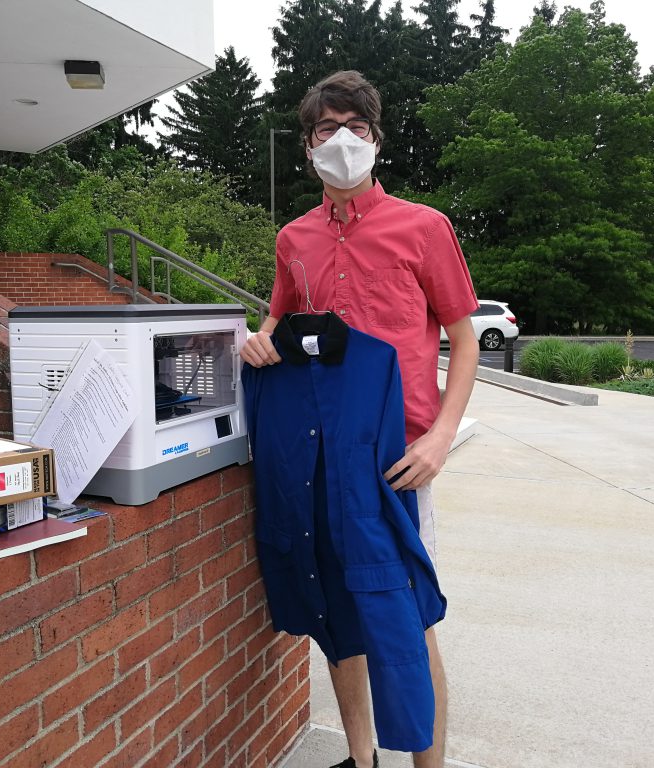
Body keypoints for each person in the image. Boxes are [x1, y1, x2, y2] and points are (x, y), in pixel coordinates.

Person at [240, 70, 480, 768]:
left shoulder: (424, 227)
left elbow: (464, 339)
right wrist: (260, 338)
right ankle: (361, 756)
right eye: (326, 129)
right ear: (307, 145)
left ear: (376, 140)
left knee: (406, 615)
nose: (342, 140)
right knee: (336, 608)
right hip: (319, 450)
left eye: (357, 128)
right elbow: (280, 318)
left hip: (398, 455)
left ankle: (426, 766)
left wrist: (438, 437)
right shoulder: (294, 238)